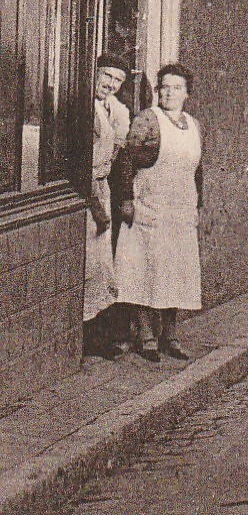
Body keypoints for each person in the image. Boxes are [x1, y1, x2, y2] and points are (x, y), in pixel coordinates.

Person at [112, 64, 203, 363]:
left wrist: (197, 206)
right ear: (158, 90)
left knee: (175, 272)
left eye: (177, 88)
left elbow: (196, 170)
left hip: (180, 211)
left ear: (186, 93)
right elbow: (126, 162)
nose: (170, 93)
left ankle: (170, 335)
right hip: (150, 209)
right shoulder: (148, 121)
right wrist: (127, 200)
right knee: (145, 270)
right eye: (165, 86)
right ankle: (146, 336)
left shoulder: (194, 125)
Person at [85, 54, 131, 359]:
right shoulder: (85, 107)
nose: (110, 84)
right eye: (106, 76)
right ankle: (87, 338)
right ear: (95, 73)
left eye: (117, 80)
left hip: (103, 186)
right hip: (86, 189)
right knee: (90, 263)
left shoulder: (115, 109)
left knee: (103, 265)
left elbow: (116, 148)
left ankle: (97, 338)